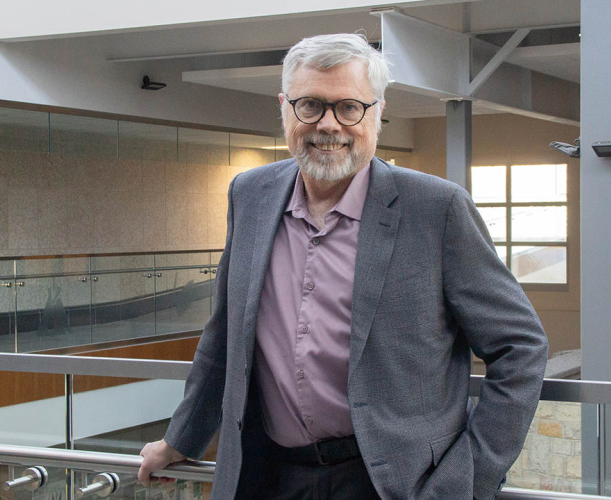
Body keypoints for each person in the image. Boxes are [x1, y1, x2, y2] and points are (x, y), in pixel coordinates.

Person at [138, 33, 548, 500]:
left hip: (396, 484)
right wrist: (181, 439)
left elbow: (520, 347)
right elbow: (226, 334)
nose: (328, 124)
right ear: (285, 108)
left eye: (349, 107)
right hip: (269, 475)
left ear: (377, 113)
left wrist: (467, 480)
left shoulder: (437, 209)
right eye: (310, 105)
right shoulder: (249, 195)